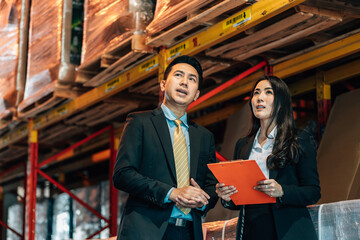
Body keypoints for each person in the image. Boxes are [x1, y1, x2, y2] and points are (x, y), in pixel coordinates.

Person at [113, 55, 218, 240]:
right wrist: (171, 193)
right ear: (163, 84)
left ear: (197, 94)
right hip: (146, 231)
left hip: (188, 233)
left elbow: (210, 187)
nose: (185, 82)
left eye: (192, 79)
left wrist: (203, 201)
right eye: (178, 75)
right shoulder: (140, 122)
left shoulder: (204, 136)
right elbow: (123, 174)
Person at [216, 75, 321, 240]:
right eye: (256, 93)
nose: (259, 98)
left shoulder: (299, 140)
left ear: (281, 101)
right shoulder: (243, 145)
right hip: (252, 229)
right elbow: (238, 201)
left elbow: (313, 192)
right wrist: (227, 197)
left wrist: (282, 191)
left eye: (268, 92)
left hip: (287, 230)